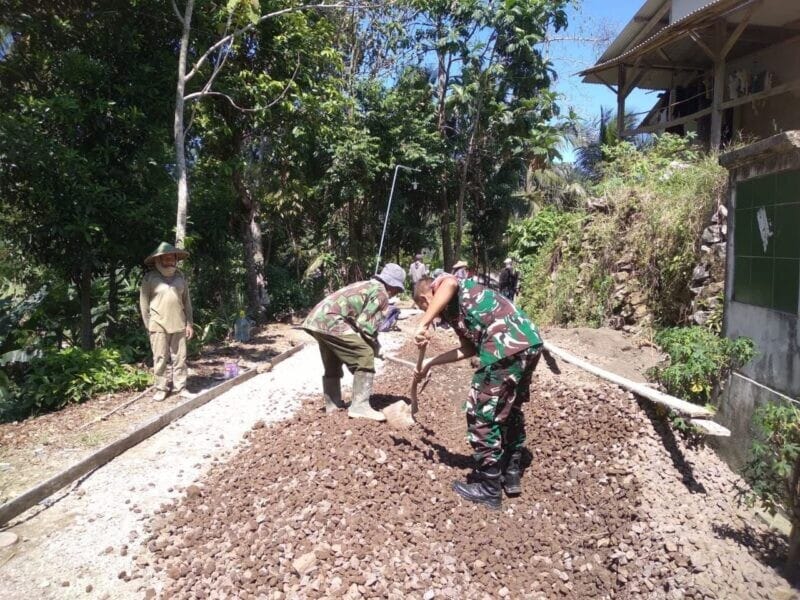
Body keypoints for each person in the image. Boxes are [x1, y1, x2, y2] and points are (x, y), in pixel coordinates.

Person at [412, 274, 543, 509]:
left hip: (505, 346)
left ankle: (489, 488)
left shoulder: (445, 286)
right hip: (529, 342)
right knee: (509, 408)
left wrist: (422, 321)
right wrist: (431, 362)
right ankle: (510, 474)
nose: (431, 312)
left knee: (481, 414)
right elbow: (468, 349)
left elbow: (449, 283)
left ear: (426, 297)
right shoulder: (456, 310)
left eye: (424, 306)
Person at [302, 263, 406, 421]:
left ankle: (333, 404)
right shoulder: (381, 293)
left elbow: (358, 322)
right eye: (397, 290)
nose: (394, 294)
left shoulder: (367, 284)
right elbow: (366, 327)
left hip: (317, 319)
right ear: (392, 286)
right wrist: (375, 348)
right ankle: (360, 406)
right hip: (331, 321)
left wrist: (374, 344)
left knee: (333, 360)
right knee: (365, 354)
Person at [139, 242, 195, 401]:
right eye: (166, 257)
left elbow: (187, 302)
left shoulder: (180, 277)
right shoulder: (149, 278)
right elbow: (143, 304)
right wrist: (148, 324)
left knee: (180, 358)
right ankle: (161, 388)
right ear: (159, 259)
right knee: (160, 358)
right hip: (158, 325)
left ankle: (181, 387)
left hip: (179, 323)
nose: (170, 259)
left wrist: (189, 323)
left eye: (173, 257)